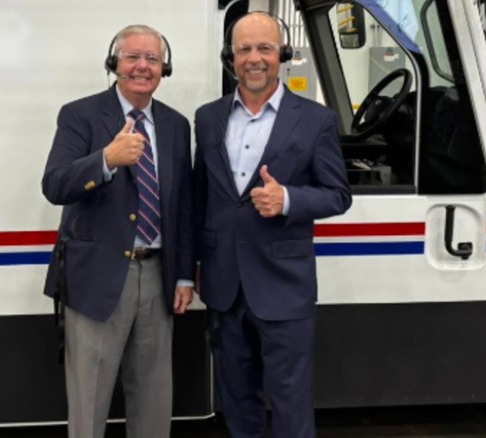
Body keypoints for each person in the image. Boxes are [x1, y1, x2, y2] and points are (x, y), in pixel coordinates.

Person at [193, 11, 352, 438]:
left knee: (290, 400)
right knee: (236, 399)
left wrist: (289, 200)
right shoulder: (207, 118)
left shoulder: (316, 120)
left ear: (282, 53)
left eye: (264, 48)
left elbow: (338, 194)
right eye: (244, 49)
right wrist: (190, 268)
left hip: (284, 285)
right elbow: (199, 198)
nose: (254, 58)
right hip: (224, 285)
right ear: (231, 57)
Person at [41, 24, 194, 438]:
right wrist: (106, 159)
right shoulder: (80, 115)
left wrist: (184, 275)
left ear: (164, 69)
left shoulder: (177, 125)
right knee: (89, 401)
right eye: (133, 57)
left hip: (159, 275)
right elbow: (54, 185)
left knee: (153, 398)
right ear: (114, 63)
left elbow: (182, 205)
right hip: (97, 278)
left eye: (152, 59)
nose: (143, 66)